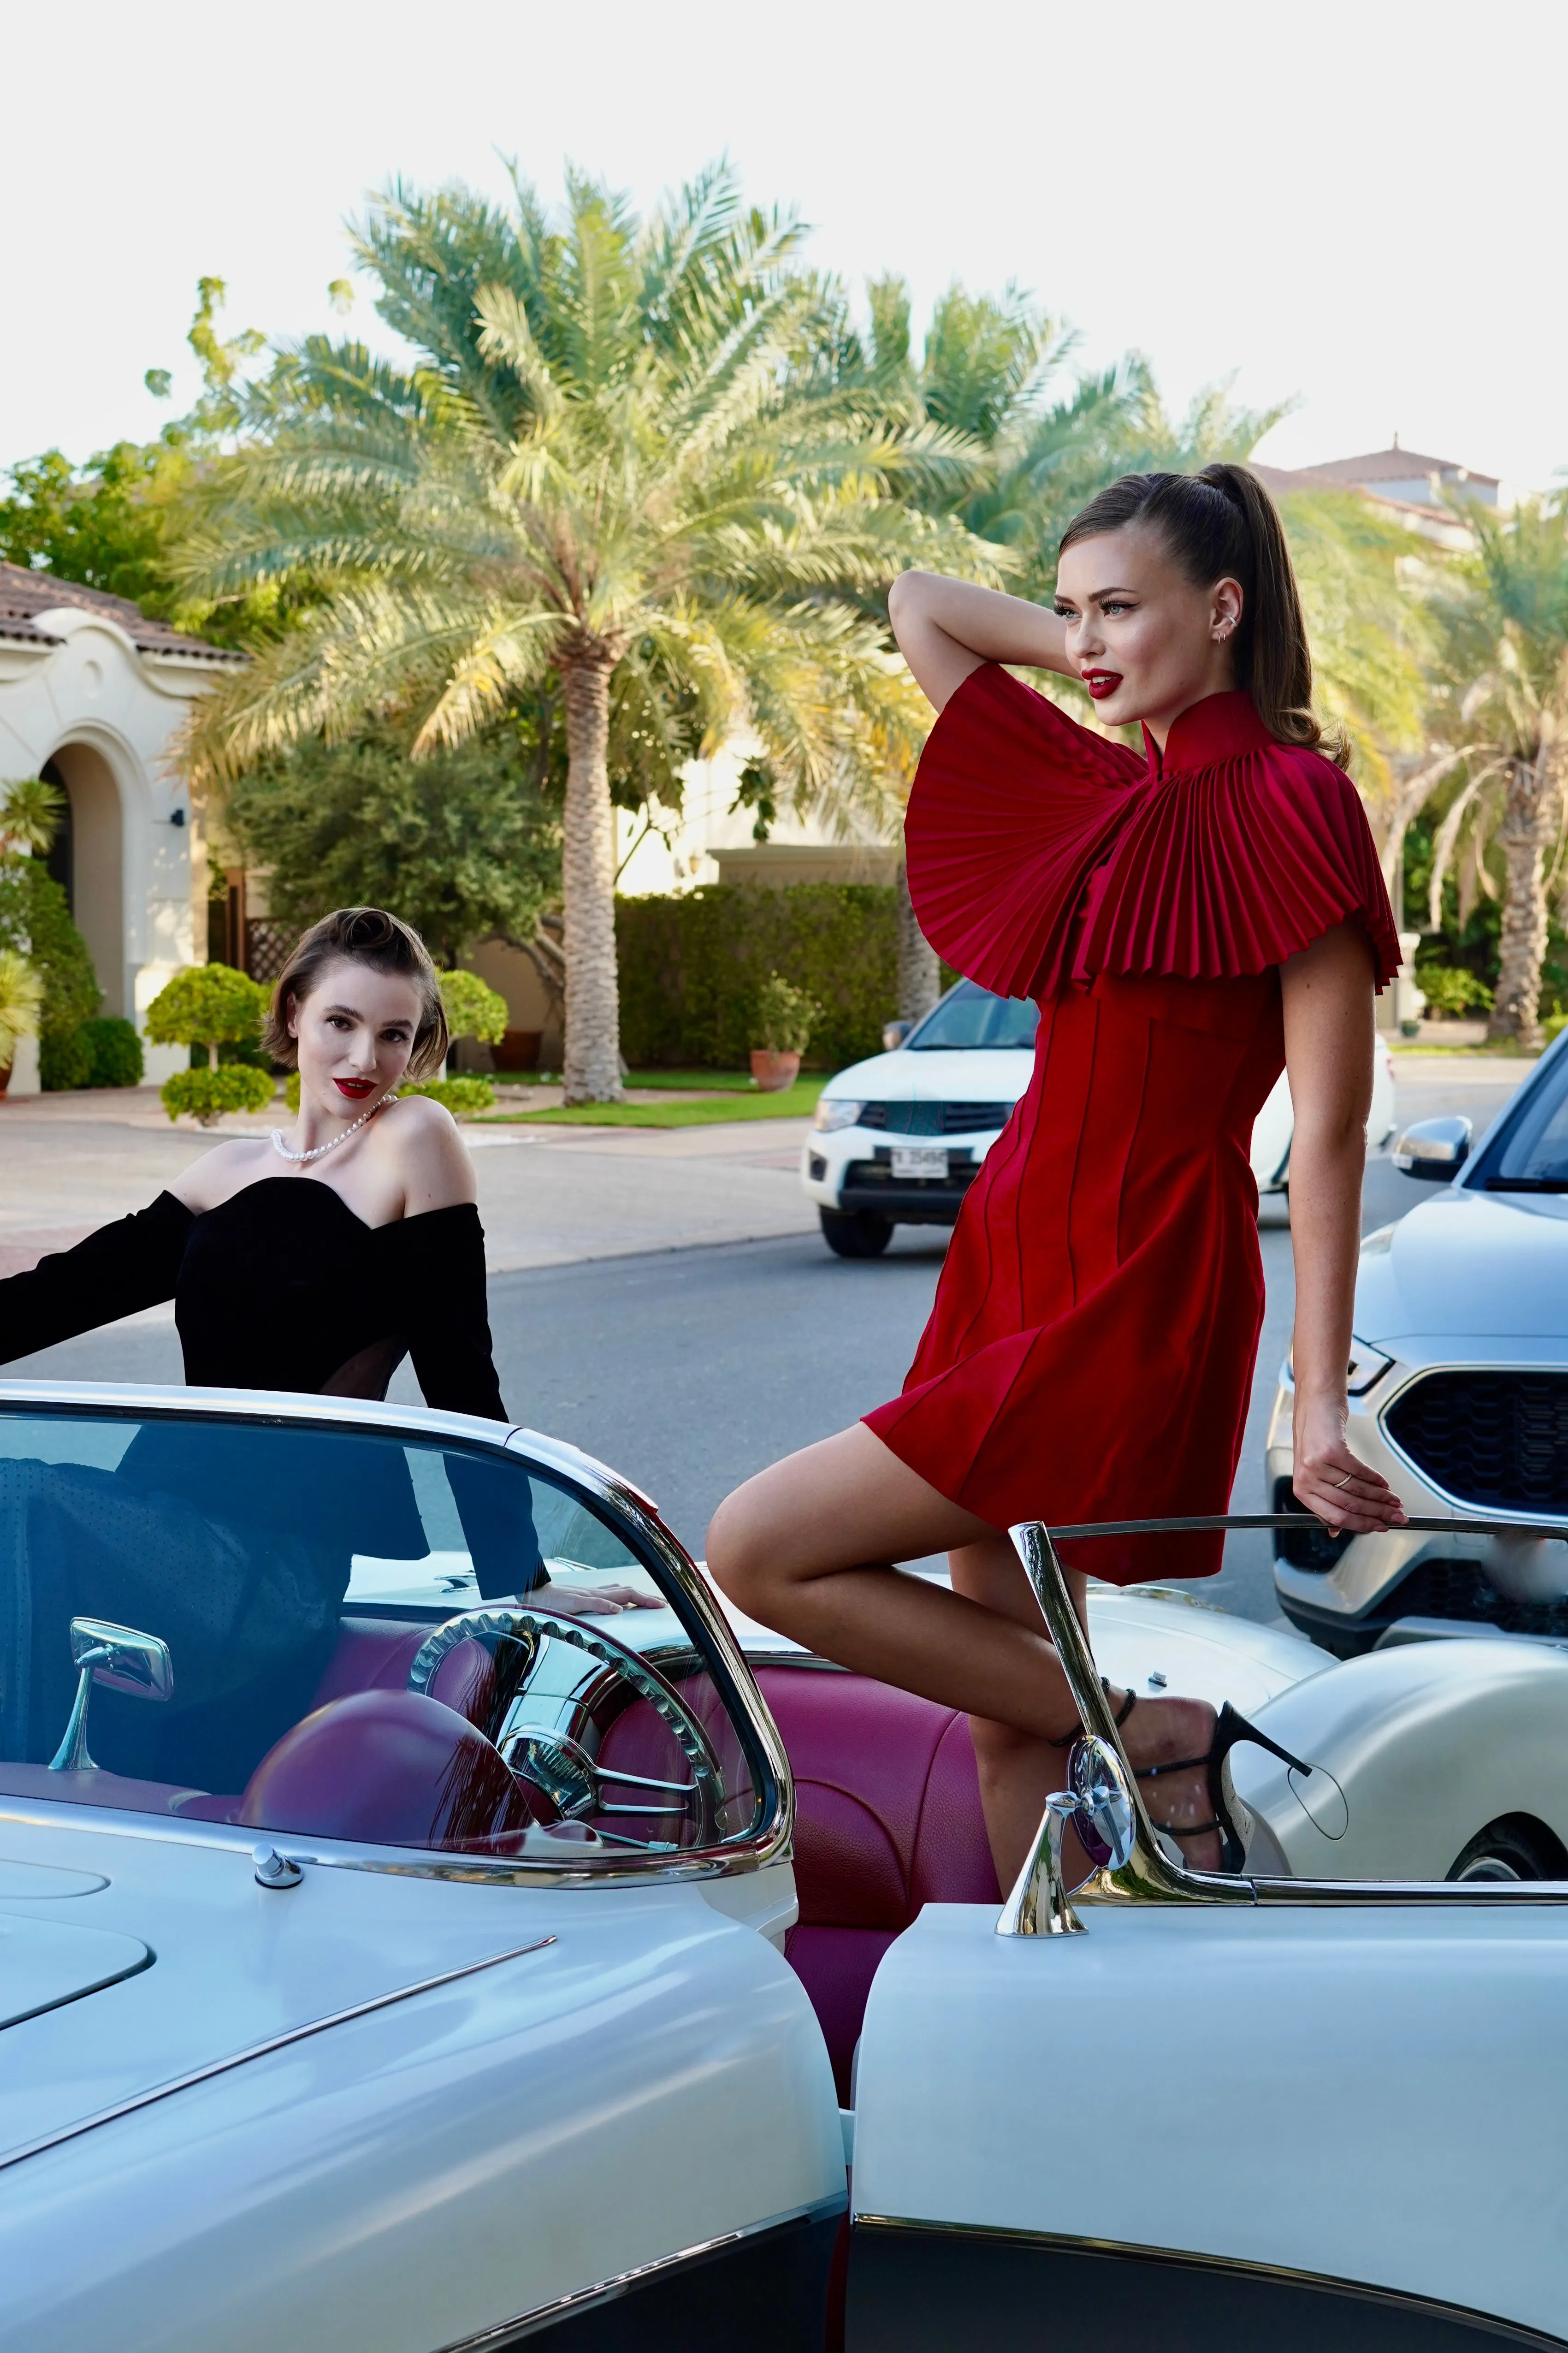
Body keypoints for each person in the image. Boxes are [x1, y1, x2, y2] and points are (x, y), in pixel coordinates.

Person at [706, 466, 1407, 1886]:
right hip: (1007, 1250)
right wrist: (1106, 636)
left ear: (1225, 607)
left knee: (759, 1545)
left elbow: (1329, 1132)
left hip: (1134, 1271)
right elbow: (924, 604)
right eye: (1071, 610)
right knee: (998, 1704)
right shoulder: (1096, 787)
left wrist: (1317, 1393)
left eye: (1121, 611)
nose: (1084, 645)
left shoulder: (1296, 800)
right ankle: (1060, 1992)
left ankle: (1153, 1731)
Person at [0, 904, 648, 1623]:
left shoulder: (415, 1136)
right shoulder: (227, 1169)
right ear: (294, 1011)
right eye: (341, 1022)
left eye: (393, 1034)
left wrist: (517, 1574)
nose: (365, 1059)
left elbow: (460, 1366)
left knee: (18, 1495)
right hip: (159, 1519)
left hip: (274, 1566)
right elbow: (61, 1294)